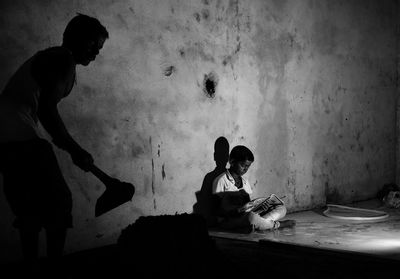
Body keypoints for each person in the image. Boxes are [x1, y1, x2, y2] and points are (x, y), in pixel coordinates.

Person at [0, 13, 108, 276]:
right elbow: (48, 112)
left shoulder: (52, 58)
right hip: (16, 135)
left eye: (99, 48)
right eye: (93, 44)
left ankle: (32, 269)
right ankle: (54, 271)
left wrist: (68, 146)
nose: (96, 52)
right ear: (77, 38)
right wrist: (75, 150)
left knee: (30, 210)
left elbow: (44, 112)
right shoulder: (63, 58)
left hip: (5, 141)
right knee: (59, 204)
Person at [212, 145, 296, 232]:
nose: (245, 169)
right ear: (232, 161)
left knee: (281, 208)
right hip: (229, 220)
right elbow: (218, 211)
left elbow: (248, 204)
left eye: (248, 166)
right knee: (252, 218)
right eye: (243, 165)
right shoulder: (221, 181)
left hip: (244, 216)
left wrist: (260, 207)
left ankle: (257, 225)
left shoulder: (245, 181)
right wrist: (239, 210)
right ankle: (277, 224)